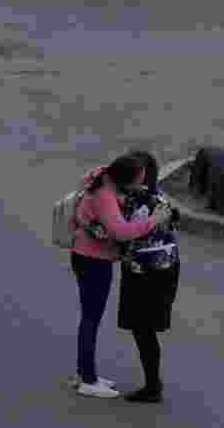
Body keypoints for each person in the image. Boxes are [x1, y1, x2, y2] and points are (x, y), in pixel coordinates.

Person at [69, 154, 174, 398]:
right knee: (91, 319)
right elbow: (122, 232)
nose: (142, 183)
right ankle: (87, 379)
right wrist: (153, 220)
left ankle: (85, 372)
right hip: (94, 260)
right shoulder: (106, 195)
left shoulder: (101, 176)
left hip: (84, 254)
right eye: (139, 179)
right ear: (126, 178)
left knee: (89, 318)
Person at [115, 150, 181, 403]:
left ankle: (153, 386)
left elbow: (124, 234)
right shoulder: (157, 197)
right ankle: (153, 383)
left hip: (146, 274)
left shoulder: (140, 202)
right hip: (162, 269)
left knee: (143, 330)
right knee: (144, 330)